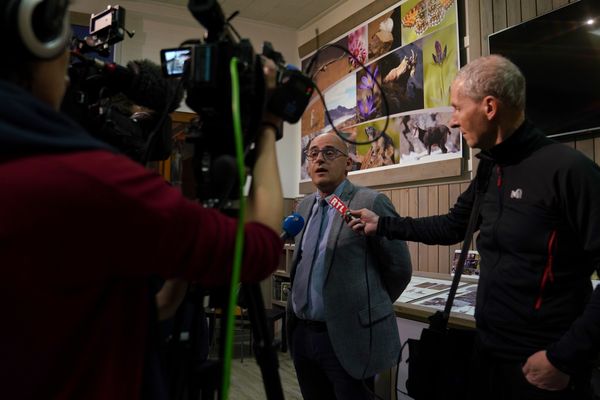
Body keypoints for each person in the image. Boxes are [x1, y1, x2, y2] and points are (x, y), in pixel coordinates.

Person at [0, 1, 284, 399]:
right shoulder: (93, 184)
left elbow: (120, 313)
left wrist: (180, 263)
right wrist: (269, 126)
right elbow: (260, 249)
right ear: (38, 43)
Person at [349, 55, 600, 399]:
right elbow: (454, 226)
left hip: (543, 364)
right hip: (487, 353)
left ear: (490, 107)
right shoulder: (491, 169)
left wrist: (566, 357)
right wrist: (384, 225)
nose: (451, 122)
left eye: (457, 108)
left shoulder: (570, 171)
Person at [287, 132, 412, 399]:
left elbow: (400, 268)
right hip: (303, 335)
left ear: (348, 163)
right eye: (313, 154)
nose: (320, 159)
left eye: (330, 153)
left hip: (348, 338)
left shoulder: (371, 202)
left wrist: (368, 308)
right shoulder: (304, 205)